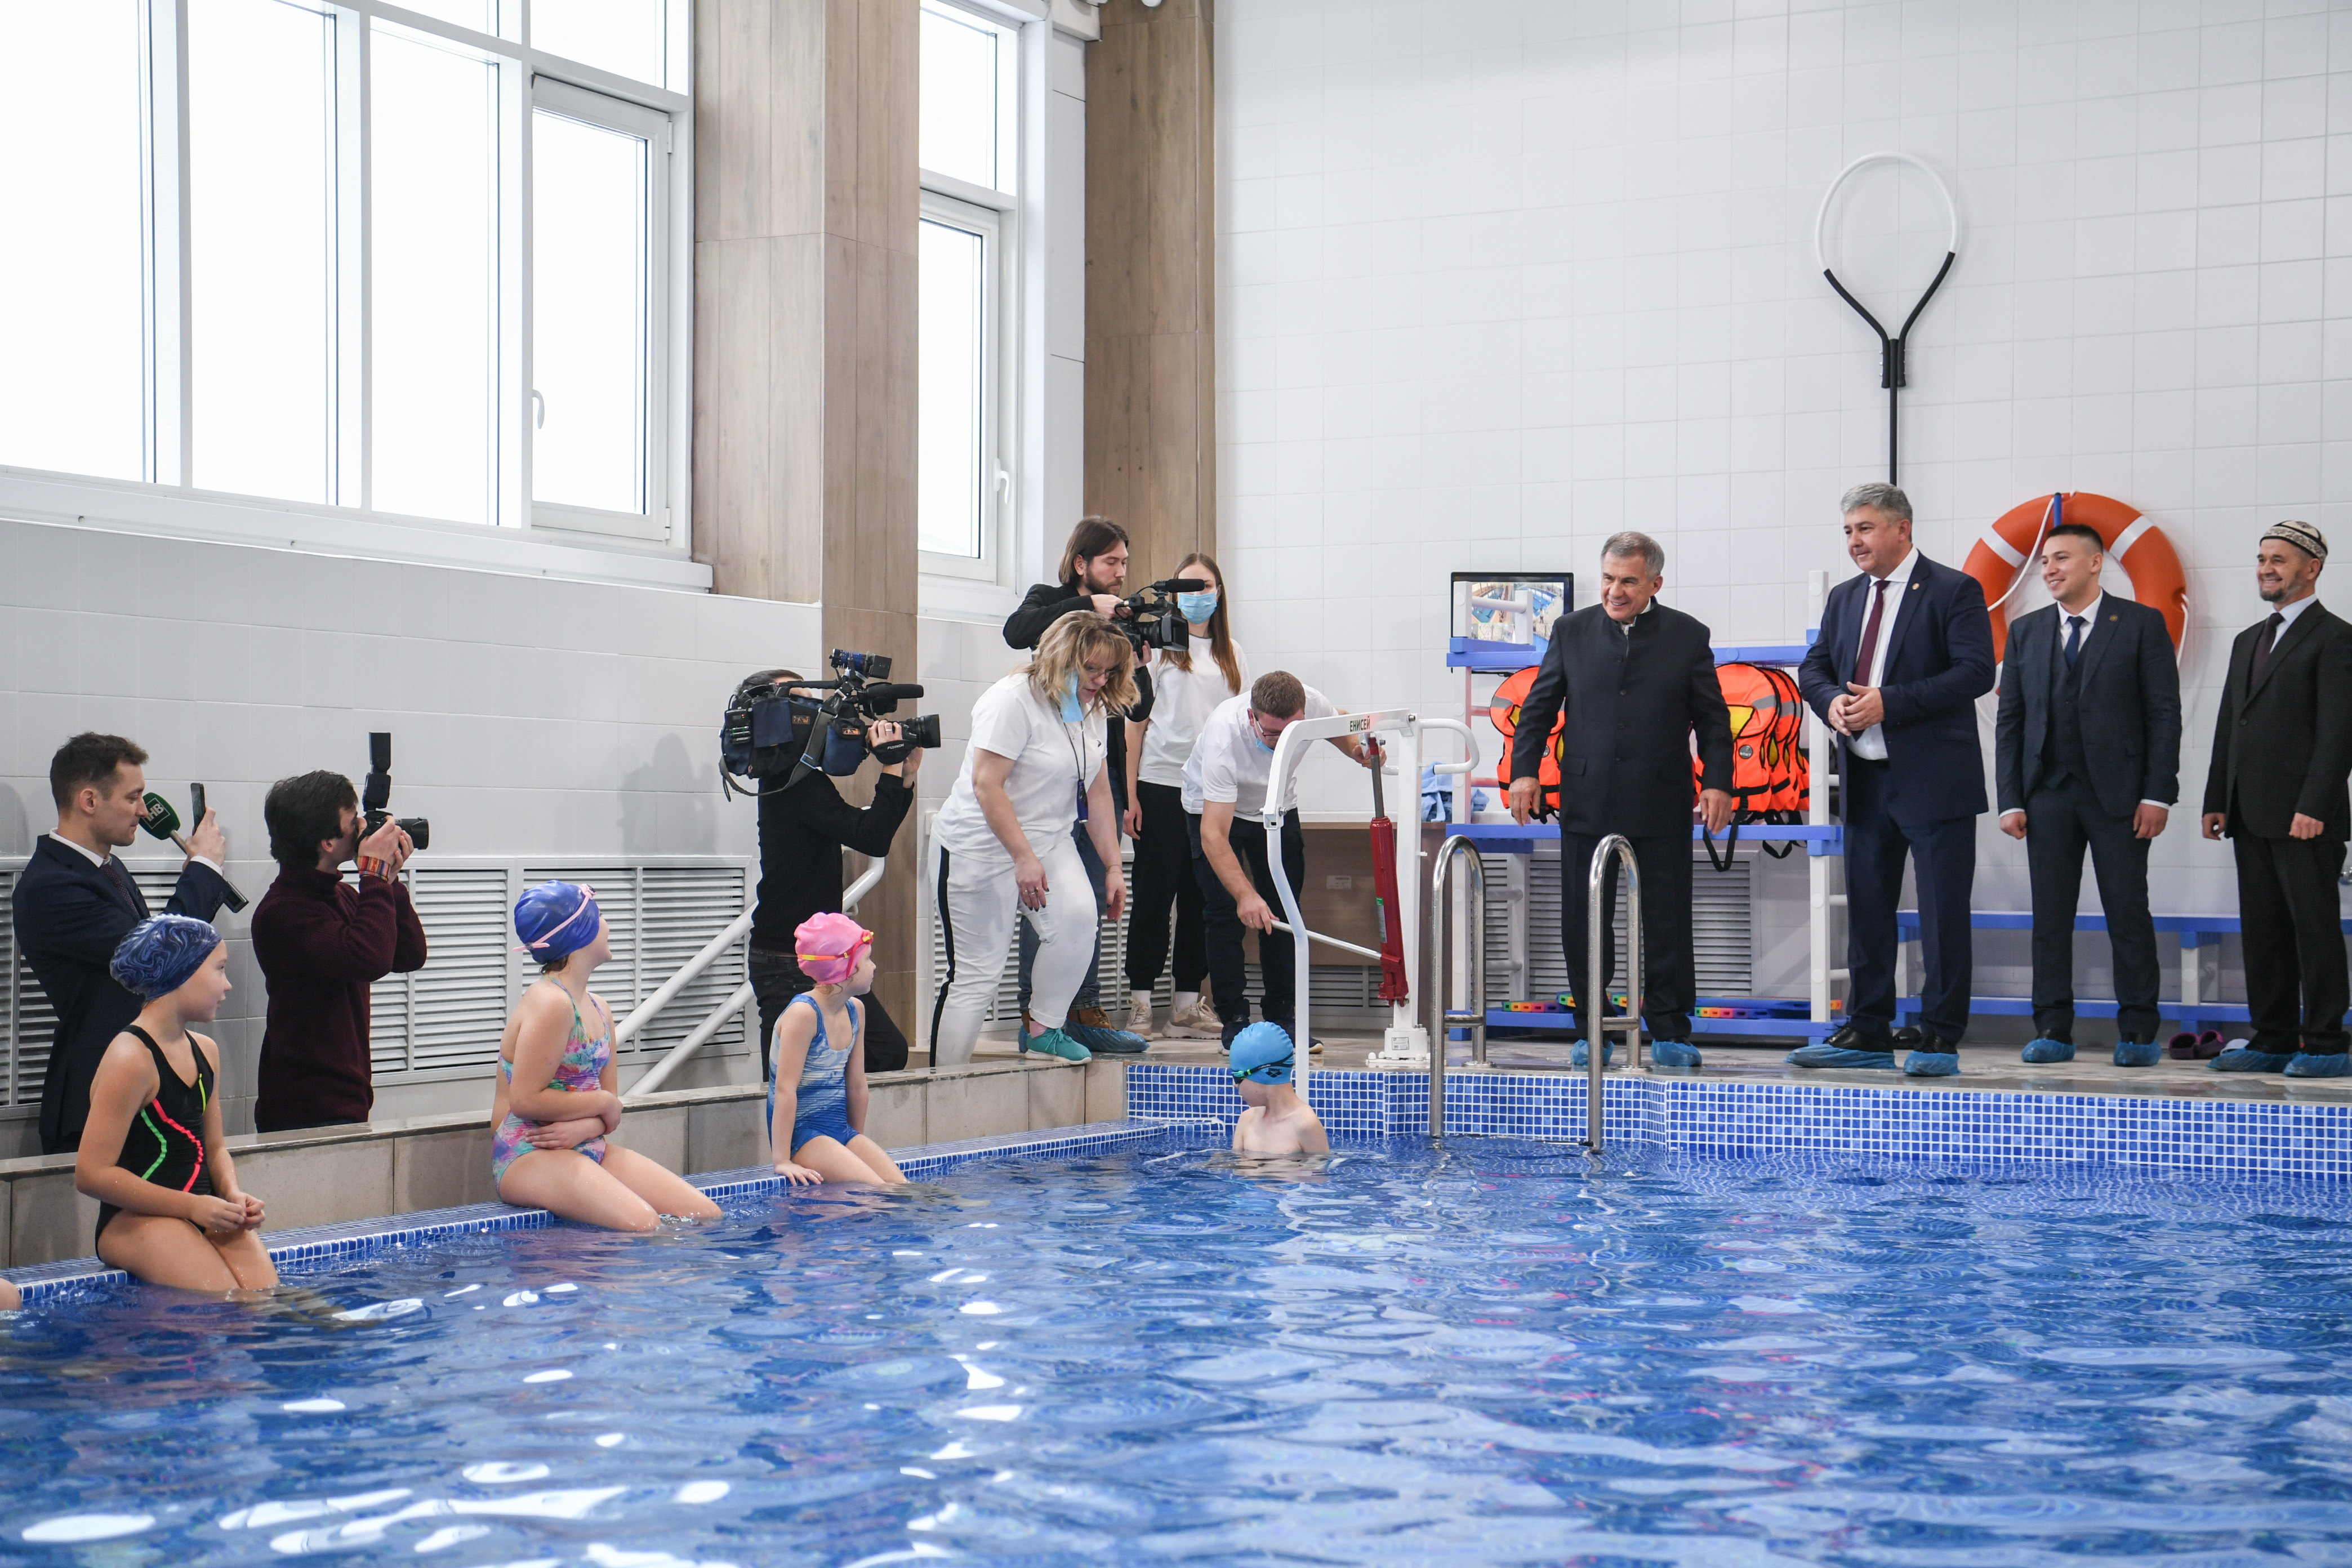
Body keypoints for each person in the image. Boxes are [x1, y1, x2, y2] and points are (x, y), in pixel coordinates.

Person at [1505, 532, 1734, 1070]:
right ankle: (1593, 1025)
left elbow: (1714, 718)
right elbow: (1538, 709)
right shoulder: (1571, 630)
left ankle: (1671, 1029)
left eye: (1628, 581)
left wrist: (1719, 783)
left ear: (1655, 582)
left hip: (1662, 798)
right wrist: (1524, 772)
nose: (1615, 590)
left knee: (1667, 918)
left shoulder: (1687, 635)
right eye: (1608, 578)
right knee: (1585, 920)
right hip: (1588, 799)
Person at [1794, 481, 1995, 1076]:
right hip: (1866, 774)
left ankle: (1940, 1035)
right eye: (1849, 531)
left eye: (1866, 528)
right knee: (1869, 909)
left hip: (1936, 776)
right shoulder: (1845, 597)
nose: (1855, 541)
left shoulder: (1955, 590)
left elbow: (1975, 672)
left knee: (1941, 913)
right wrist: (1831, 702)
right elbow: (1815, 667)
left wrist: (1890, 703)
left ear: (1903, 529)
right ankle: (1868, 1028)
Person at [1994, 521, 2182, 1067]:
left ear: (2096, 562)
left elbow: (2163, 716)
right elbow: (2011, 721)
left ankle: (2140, 1031)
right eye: (2044, 562)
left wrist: (2159, 794)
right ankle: (2052, 1027)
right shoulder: (2026, 631)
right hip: (2047, 795)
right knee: (2049, 917)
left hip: (2120, 797)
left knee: (2128, 912)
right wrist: (2011, 798)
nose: (2049, 569)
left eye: (2061, 559)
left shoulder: (2142, 625)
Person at [11, 733, 237, 1155]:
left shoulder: (106, 867)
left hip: (137, 1083)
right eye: (133, 797)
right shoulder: (51, 886)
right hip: (94, 1093)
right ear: (90, 801)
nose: (142, 810)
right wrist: (204, 868)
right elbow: (160, 954)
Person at [932, 613, 1139, 1066]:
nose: (1101, 681)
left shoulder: (1091, 707)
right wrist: (1022, 858)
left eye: (1110, 672)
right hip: (979, 846)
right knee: (977, 976)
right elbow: (988, 785)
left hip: (1048, 837)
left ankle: (1044, 1029)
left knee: (1080, 919)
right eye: (1092, 670)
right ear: (1062, 659)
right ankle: (944, 1087)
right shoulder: (1011, 701)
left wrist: (1113, 866)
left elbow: (1098, 790)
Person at [2198, 522, 2352, 1077]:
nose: (2267, 567)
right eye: (2263, 558)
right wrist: (2217, 798)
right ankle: (2275, 1036)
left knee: (2314, 931)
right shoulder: (2248, 640)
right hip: (2250, 811)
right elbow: (2229, 727)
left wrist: (2314, 805)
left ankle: (2329, 1042)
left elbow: (2340, 733)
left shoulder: (2336, 638)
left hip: (2306, 817)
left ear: (2311, 568)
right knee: (2263, 929)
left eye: (2280, 559)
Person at [998, 517, 1152, 1055]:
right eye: (1111, 561)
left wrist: (1138, 661)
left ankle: (1078, 1013)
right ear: (1082, 562)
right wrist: (1088, 610)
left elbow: (1138, 706)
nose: (1120, 573)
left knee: (1088, 902)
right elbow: (1017, 631)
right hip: (1042, 781)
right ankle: (1038, 1016)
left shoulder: (1122, 621)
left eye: (1125, 563)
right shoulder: (1053, 600)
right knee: (1044, 905)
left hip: (1093, 770)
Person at [491, 881, 722, 1230]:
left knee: (705, 1215)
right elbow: (525, 1100)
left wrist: (593, 1121)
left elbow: (609, 1107)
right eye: (601, 918)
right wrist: (604, 1105)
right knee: (644, 1223)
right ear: (579, 932)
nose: (609, 926)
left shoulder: (601, 1008)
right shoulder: (550, 1003)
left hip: (585, 1141)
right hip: (528, 1152)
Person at [74, 915, 275, 1292]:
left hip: (200, 1209)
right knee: (224, 1304)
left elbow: (214, 1148)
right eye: (219, 969)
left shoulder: (206, 1052)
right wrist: (191, 1207)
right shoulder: (130, 1059)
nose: (228, 984)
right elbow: (92, 1174)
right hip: (132, 1220)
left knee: (264, 1301)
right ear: (183, 972)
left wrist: (232, 1195)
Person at [1184, 671, 1373, 1051]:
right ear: (1252, 717)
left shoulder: (1312, 701)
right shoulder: (1225, 735)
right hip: (1218, 812)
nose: (1282, 741)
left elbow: (1340, 722)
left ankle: (1284, 1019)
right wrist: (1244, 895)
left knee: (1285, 913)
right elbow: (1213, 835)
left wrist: (1356, 749)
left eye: (1293, 732)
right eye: (1272, 734)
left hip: (1277, 807)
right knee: (1224, 913)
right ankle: (1234, 1021)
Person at [745, 669, 920, 1075]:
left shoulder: (797, 780)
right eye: (801, 704)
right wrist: (890, 769)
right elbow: (870, 837)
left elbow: (869, 832)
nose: (813, 714)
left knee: (883, 1052)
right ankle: (796, 1139)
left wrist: (904, 775)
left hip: (816, 955)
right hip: (788, 959)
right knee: (788, 1074)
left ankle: (830, 1133)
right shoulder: (793, 784)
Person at [250, 770, 429, 1131]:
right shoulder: (282, 912)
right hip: (304, 1105)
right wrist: (374, 874)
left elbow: (407, 955)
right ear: (327, 843)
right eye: (354, 822)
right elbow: (369, 958)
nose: (366, 828)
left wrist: (389, 881)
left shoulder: (343, 895)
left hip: (347, 1096)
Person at [1122, 551, 1248, 1040]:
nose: (1197, 596)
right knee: (1154, 897)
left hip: (1211, 793)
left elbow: (1239, 726)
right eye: (1187, 587)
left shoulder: (1232, 653)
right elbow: (1136, 724)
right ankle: (1139, 1003)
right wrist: (1130, 794)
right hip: (1158, 783)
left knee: (1202, 899)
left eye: (1206, 586)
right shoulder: (1157, 651)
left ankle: (1187, 1004)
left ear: (1219, 592)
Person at [768, 913, 907, 1186]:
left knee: (901, 1190)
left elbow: (856, 1085)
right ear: (846, 968)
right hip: (805, 1136)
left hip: (840, 1130)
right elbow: (785, 1089)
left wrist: (855, 1142)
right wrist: (782, 1160)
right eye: (867, 960)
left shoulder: (856, 1010)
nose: (875, 967)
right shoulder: (803, 1015)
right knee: (878, 1193)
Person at [1228, 1021, 1328, 1155]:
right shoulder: (1246, 1121)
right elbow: (1236, 1173)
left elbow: (1319, 1173)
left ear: (1263, 1074)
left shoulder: (1305, 1124)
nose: (1235, 1084)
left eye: (1238, 1077)